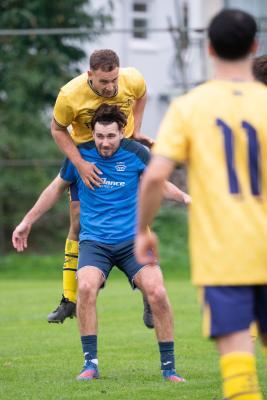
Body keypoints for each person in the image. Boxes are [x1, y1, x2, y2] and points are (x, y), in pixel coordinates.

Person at [135, 9, 267, 400]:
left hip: (224, 253)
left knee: (239, 368)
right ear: (255, 46)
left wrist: (142, 229)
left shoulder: (190, 106)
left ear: (209, 48)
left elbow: (156, 176)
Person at [13, 104, 190, 382]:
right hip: (95, 243)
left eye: (110, 136)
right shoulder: (79, 156)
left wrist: (185, 198)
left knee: (157, 291)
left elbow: (159, 184)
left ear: (122, 133)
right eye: (99, 136)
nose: (105, 142)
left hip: (133, 241)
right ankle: (90, 365)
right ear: (92, 134)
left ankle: (169, 369)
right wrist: (27, 221)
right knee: (85, 286)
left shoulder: (136, 153)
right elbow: (54, 188)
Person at [48, 48, 154, 325]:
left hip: (122, 155)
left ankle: (150, 294)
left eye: (114, 80)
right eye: (104, 82)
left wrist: (137, 130)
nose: (111, 87)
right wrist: (80, 165)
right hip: (88, 159)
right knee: (77, 220)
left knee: (139, 215)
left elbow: (142, 95)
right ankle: (69, 298)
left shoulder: (133, 79)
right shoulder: (70, 95)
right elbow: (57, 129)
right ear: (89, 75)